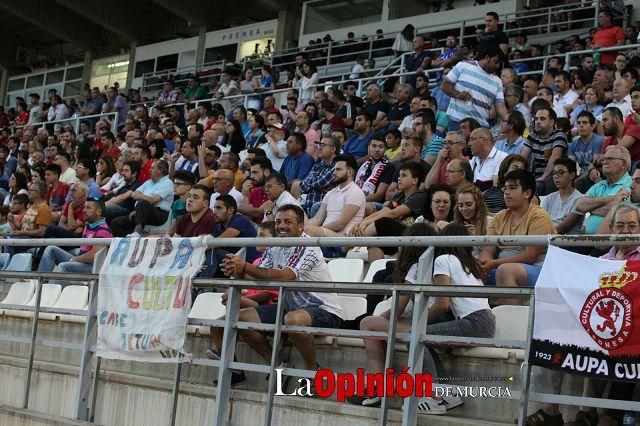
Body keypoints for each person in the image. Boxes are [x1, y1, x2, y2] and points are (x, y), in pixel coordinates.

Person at [215, 204, 343, 384]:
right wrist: (235, 270)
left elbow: (283, 277)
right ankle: (277, 366)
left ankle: (313, 370)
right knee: (239, 318)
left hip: (323, 310)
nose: (281, 226)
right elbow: (258, 276)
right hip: (289, 308)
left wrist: (243, 265)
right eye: (278, 222)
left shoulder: (308, 246)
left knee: (294, 319)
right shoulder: (275, 246)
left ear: (300, 226)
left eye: (287, 222)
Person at [480, 170, 557, 305]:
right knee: (465, 271)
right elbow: (488, 249)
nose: (506, 193)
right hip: (501, 267)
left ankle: (511, 323)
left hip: (540, 271)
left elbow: (530, 256)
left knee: (505, 271)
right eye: (505, 188)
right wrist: (484, 264)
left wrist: (494, 264)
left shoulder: (539, 216)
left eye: (513, 188)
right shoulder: (500, 216)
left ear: (527, 193)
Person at [37, 197, 111, 281]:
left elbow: (93, 256)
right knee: (51, 249)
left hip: (92, 268)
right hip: (82, 261)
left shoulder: (103, 230)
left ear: (98, 212)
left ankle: (57, 292)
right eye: (84, 207)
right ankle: (40, 284)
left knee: (64, 266)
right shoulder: (89, 225)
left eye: (88, 208)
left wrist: (74, 259)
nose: (83, 210)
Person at [440, 44, 508, 130]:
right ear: (487, 57)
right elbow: (444, 85)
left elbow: (500, 106)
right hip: (457, 122)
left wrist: (510, 121)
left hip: (480, 127)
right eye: (496, 62)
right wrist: (457, 94)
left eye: (499, 64)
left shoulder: (497, 81)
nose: (497, 66)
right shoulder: (463, 66)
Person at [576, 145, 632, 234]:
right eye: (603, 159)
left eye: (610, 158)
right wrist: (608, 199)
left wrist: (590, 209)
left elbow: (619, 211)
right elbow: (580, 205)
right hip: (588, 240)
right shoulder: (600, 185)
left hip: (612, 242)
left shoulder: (631, 184)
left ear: (624, 164)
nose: (605, 162)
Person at [110, 160, 174, 237]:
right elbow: (134, 194)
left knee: (143, 203)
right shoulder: (148, 182)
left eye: (152, 168)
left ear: (160, 170)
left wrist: (141, 202)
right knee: (116, 223)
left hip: (158, 215)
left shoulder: (167, 183)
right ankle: (125, 246)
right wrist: (144, 200)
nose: (150, 170)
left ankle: (138, 231)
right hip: (140, 212)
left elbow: (154, 200)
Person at [305, 155, 365, 237]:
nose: (333, 173)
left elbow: (341, 224)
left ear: (350, 172)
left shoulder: (355, 192)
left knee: (308, 231)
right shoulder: (330, 193)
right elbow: (317, 219)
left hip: (343, 238)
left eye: (338, 169)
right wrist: (300, 226)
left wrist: (318, 229)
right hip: (327, 234)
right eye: (334, 169)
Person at [520, 106, 569, 195]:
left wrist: (544, 177)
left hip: (555, 176)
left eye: (542, 119)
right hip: (537, 177)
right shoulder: (533, 135)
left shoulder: (559, 135)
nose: (538, 122)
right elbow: (522, 158)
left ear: (552, 122)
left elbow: (555, 157)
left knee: (537, 187)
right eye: (536, 119)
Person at [291, 136, 338, 217]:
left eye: (322, 145)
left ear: (333, 149)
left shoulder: (337, 166)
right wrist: (320, 188)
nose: (319, 148)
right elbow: (304, 185)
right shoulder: (318, 165)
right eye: (319, 145)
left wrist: (314, 185)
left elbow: (319, 183)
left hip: (321, 210)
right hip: (306, 206)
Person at [541, 157, 584, 235]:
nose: (556, 176)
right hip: (548, 239)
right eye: (554, 173)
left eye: (560, 172)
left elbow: (563, 229)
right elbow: (541, 222)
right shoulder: (549, 198)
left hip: (568, 243)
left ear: (572, 175)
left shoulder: (579, 200)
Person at [211, 195, 259, 263]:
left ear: (230, 210)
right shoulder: (218, 227)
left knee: (213, 251)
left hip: (252, 264)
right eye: (214, 208)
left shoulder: (240, 220)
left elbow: (216, 242)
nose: (214, 212)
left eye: (219, 208)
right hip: (235, 265)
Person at [355, 135, 395, 211]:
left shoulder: (388, 167)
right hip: (358, 201)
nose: (377, 150)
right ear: (368, 148)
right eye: (374, 146)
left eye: (381, 147)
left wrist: (355, 200)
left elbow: (378, 196)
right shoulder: (364, 166)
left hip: (374, 205)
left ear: (385, 149)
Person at [569, 111, 605, 175]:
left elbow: (595, 166)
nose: (581, 126)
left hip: (596, 175)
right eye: (578, 123)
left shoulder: (598, 141)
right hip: (582, 175)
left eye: (584, 123)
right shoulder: (573, 144)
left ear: (593, 126)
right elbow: (570, 166)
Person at [238, 157, 272, 223]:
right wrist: (246, 195)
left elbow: (257, 213)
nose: (251, 176)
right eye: (251, 173)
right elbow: (248, 216)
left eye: (255, 172)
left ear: (267, 172)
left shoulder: (276, 191)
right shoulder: (255, 191)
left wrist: (232, 206)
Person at [167, 170, 196, 235]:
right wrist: (167, 235)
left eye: (178, 184)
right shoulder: (176, 203)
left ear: (188, 187)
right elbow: (173, 227)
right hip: (178, 236)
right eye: (174, 183)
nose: (174, 186)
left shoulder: (194, 203)